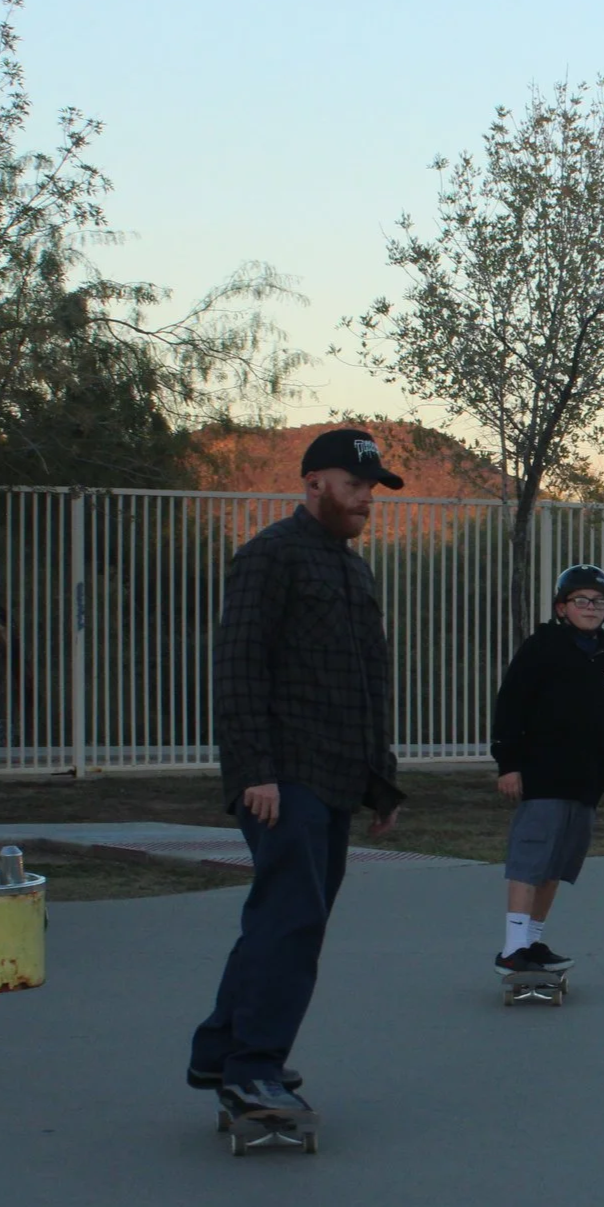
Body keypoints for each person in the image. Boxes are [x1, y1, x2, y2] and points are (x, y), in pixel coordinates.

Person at [187, 427, 404, 1121]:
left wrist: (380, 777)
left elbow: (369, 677)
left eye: (371, 488)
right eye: (354, 485)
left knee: (290, 918)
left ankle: (220, 1047)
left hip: (338, 772)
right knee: (291, 918)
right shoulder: (268, 557)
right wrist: (255, 769)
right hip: (283, 775)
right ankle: (253, 1069)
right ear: (313, 484)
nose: (365, 499)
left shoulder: (352, 569)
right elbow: (238, 667)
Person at [490, 564, 604, 975]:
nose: (591, 607)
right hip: (544, 773)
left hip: (586, 778)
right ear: (561, 607)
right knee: (532, 857)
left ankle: (531, 943)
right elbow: (510, 706)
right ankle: (512, 948)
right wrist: (509, 764)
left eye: (600, 601)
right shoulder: (542, 649)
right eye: (581, 601)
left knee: (559, 862)